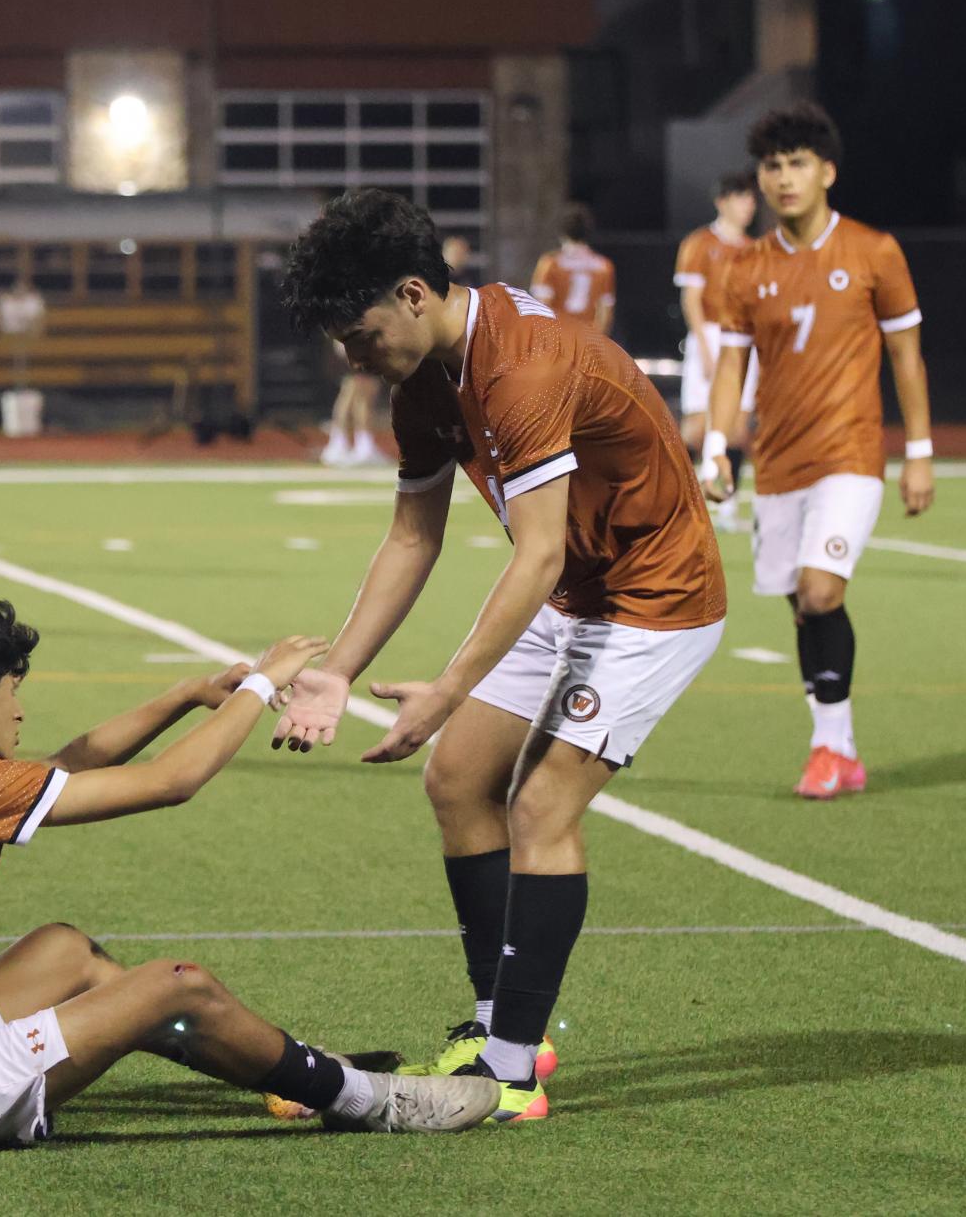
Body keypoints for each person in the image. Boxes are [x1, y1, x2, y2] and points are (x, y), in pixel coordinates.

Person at [272, 189, 727, 1124]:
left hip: (655, 598)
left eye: (356, 335)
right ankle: (495, 1025)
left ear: (411, 294)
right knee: (456, 783)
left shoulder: (518, 366)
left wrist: (445, 686)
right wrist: (339, 670)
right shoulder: (424, 382)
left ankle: (510, 1073)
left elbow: (539, 549)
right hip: (576, 591)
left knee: (541, 803)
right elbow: (411, 538)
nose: (349, 358)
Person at [0, 586, 500, 1150]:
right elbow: (172, 782)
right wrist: (260, 685)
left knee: (63, 951)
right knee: (177, 986)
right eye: (14, 688)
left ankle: (288, 1069)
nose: (20, 707)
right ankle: (368, 1101)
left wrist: (183, 696)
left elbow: (65, 766)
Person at [702, 103, 934, 800]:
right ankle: (841, 747)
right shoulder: (743, 270)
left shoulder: (874, 251)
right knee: (803, 608)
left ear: (826, 171)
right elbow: (729, 368)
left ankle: (827, 749)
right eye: (771, 166)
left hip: (850, 453)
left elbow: (906, 356)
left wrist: (919, 451)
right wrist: (717, 447)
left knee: (820, 588)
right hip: (776, 462)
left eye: (797, 162)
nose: (783, 177)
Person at [675, 172, 761, 531]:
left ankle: (726, 502)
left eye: (751, 200)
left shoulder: (754, 249)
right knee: (695, 427)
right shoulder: (699, 243)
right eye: (742, 198)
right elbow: (691, 297)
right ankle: (675, 497)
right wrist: (706, 348)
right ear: (722, 201)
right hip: (710, 334)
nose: (748, 206)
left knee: (738, 426)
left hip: (743, 338)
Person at [529, 201, 616, 338]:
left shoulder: (551, 264)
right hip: (588, 339)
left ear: (562, 232)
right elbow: (605, 311)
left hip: (560, 338)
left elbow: (542, 307)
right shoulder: (603, 266)